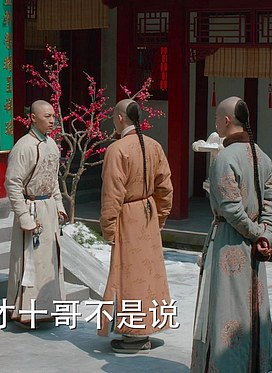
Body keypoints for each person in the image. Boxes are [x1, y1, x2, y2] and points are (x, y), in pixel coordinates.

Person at [190, 96, 272, 373]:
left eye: (217, 118)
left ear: (227, 120)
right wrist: (265, 235)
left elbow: (230, 208)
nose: (216, 123)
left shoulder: (224, 158)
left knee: (227, 309)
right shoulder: (263, 156)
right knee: (253, 308)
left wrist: (255, 235)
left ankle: (226, 366)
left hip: (229, 242)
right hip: (256, 247)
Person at [98, 99, 173, 353]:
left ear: (120, 118)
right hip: (148, 212)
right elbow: (165, 187)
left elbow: (112, 195)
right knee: (149, 273)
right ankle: (150, 324)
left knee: (128, 275)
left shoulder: (117, 150)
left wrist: (108, 228)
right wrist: (160, 217)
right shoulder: (154, 145)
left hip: (127, 215)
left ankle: (133, 333)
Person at [4, 100, 68, 328]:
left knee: (49, 261)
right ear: (32, 118)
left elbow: (54, 179)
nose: (52, 121)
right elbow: (12, 183)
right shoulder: (24, 146)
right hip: (31, 207)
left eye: (53, 116)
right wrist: (23, 215)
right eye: (47, 116)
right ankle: (25, 311)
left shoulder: (52, 144)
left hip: (48, 207)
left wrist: (59, 205)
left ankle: (49, 307)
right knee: (30, 262)